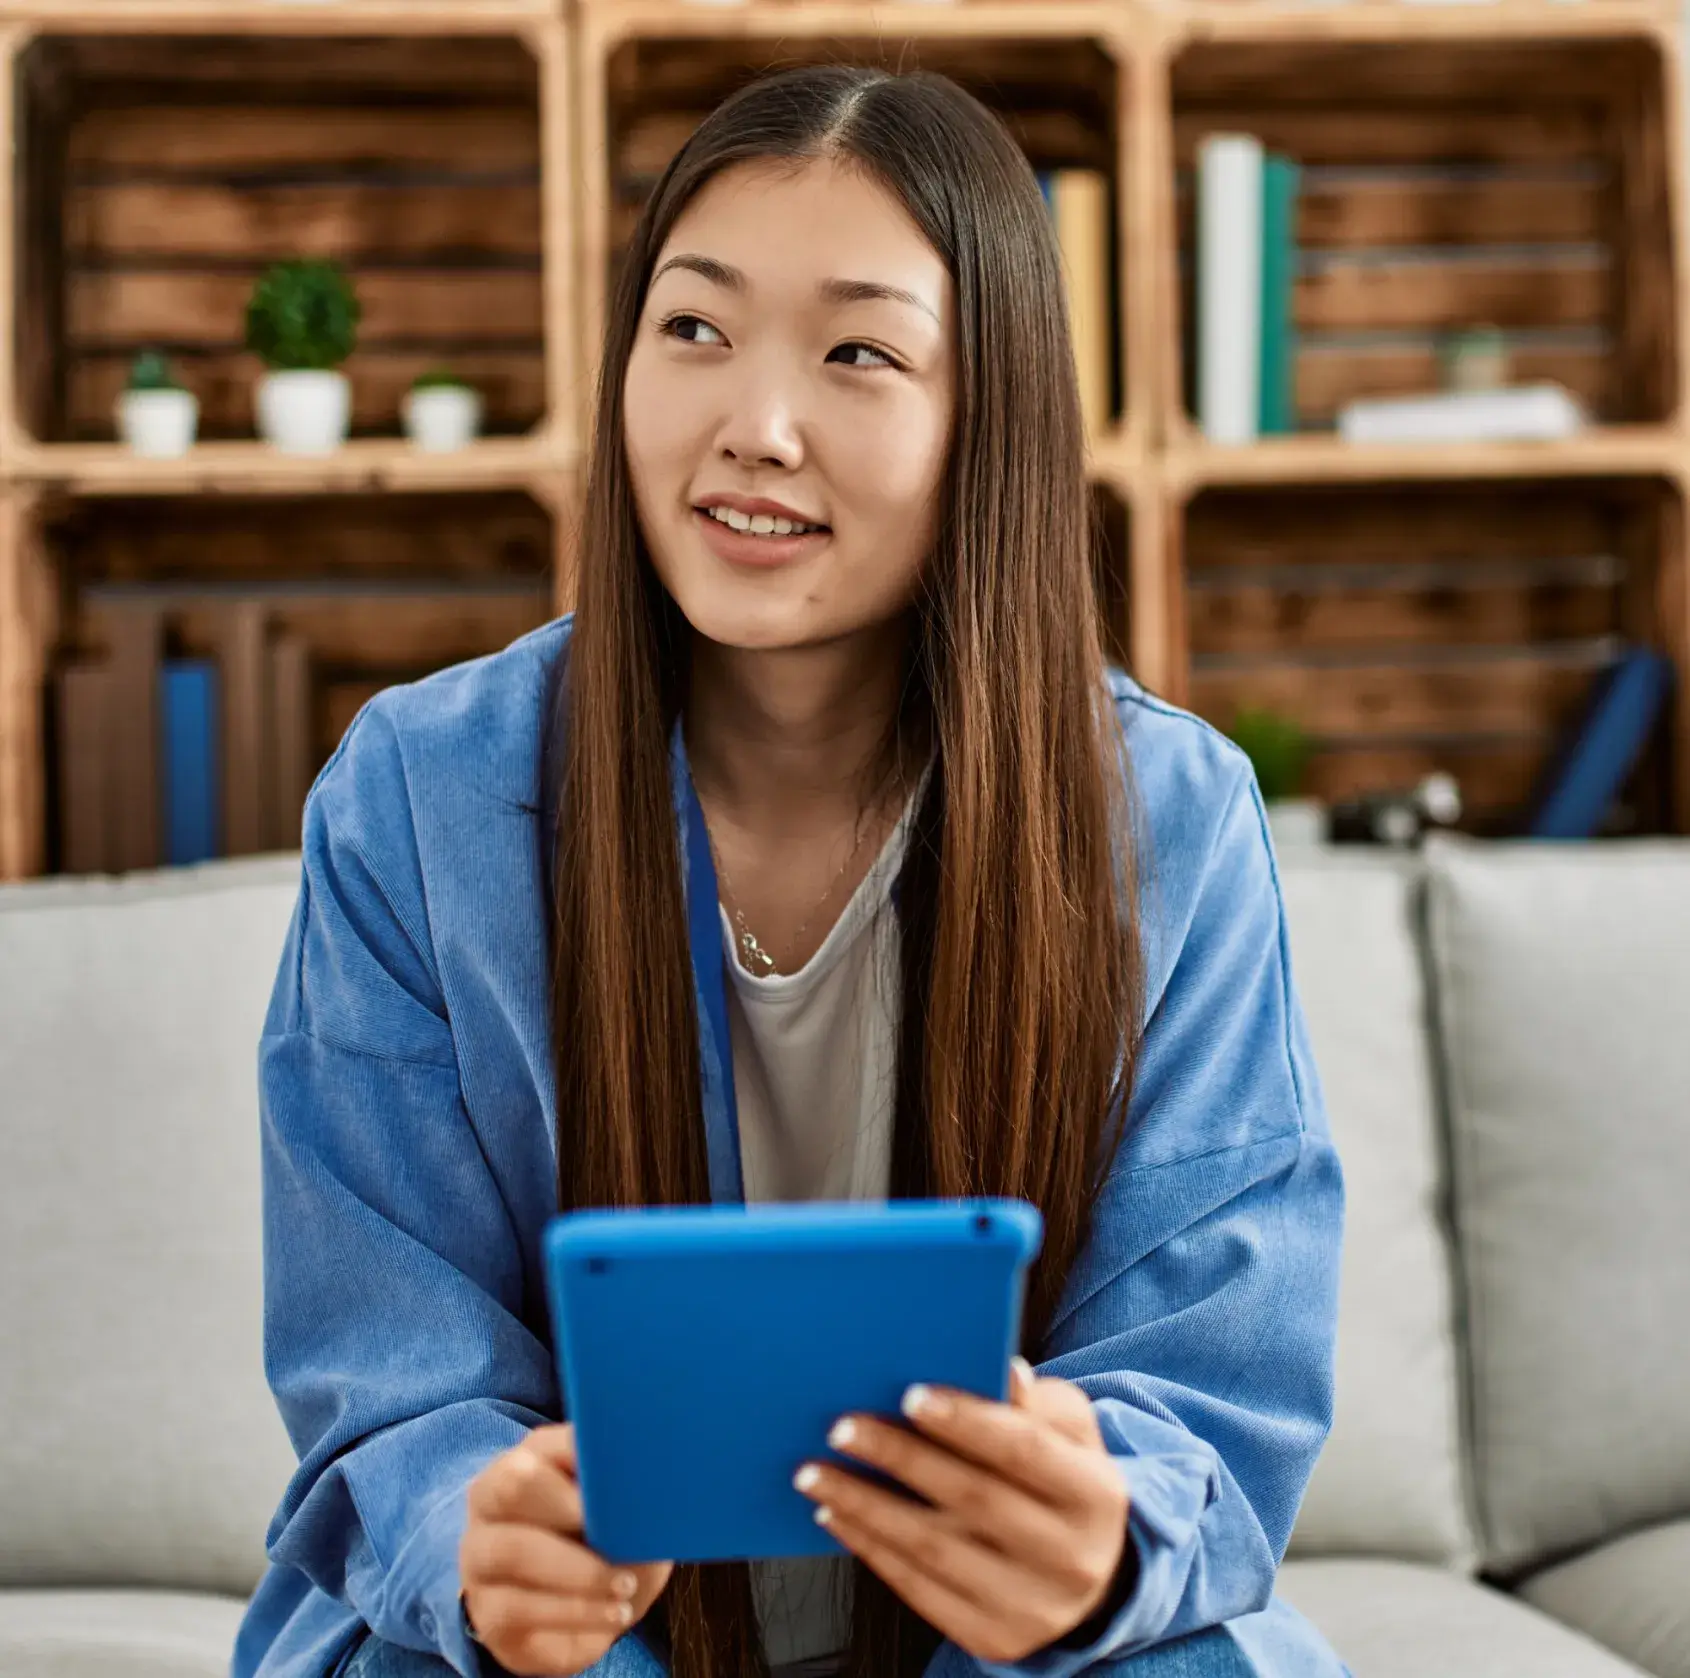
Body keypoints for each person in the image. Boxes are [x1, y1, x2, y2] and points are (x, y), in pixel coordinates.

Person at [230, 63, 1350, 1678]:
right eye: (692, 329)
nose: (752, 426)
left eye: (857, 353)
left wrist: (1093, 1538)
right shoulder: (415, 793)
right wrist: (483, 1539)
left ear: (991, 421)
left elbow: (1205, 1370)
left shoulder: (1166, 815)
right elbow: (384, 1362)